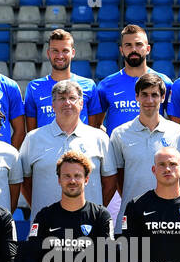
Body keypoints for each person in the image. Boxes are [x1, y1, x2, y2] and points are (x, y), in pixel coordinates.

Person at [13, 151, 117, 262]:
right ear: (59, 180)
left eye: (77, 176)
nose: (72, 180)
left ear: (86, 179)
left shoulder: (100, 215)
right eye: (66, 176)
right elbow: (30, 252)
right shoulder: (45, 215)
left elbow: (110, 252)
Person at [19, 79, 116, 218]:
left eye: (72, 98)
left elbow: (110, 182)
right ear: (53, 105)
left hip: (88, 224)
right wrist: (42, 210)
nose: (67, 103)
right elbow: (25, 182)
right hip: (46, 225)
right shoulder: (33, 139)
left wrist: (94, 211)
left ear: (81, 104)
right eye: (61, 98)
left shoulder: (99, 138)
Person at [109, 74, 180, 230]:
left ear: (162, 97)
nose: (149, 100)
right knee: (131, 255)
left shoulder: (178, 132)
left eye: (154, 95)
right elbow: (119, 178)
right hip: (132, 218)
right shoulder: (120, 134)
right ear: (136, 97)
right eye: (144, 95)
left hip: (168, 219)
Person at [91, 23, 174, 133]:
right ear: (121, 50)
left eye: (139, 44)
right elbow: (96, 125)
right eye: (128, 45)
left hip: (153, 149)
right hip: (118, 150)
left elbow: (174, 124)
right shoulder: (106, 85)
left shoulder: (165, 83)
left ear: (148, 49)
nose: (133, 49)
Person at [24, 28, 99, 131]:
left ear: (72, 53)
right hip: (45, 146)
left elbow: (93, 129)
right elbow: (31, 132)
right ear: (48, 53)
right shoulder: (34, 87)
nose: (60, 56)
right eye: (55, 51)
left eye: (65, 51)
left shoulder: (88, 85)